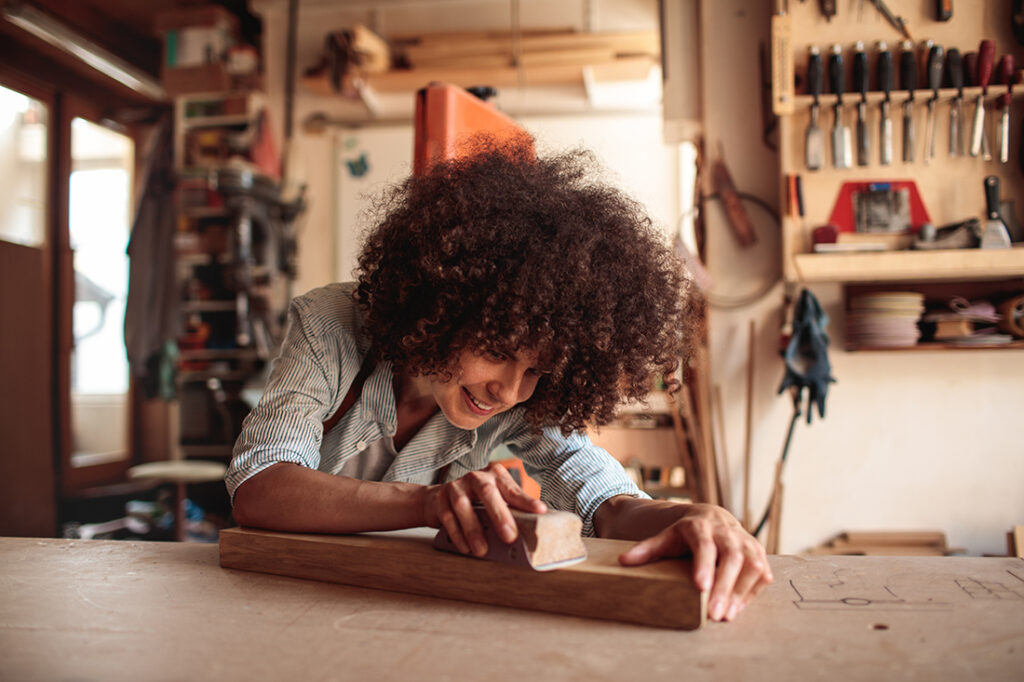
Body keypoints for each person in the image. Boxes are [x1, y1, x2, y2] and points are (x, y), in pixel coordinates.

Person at [226, 133, 771, 622]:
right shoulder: (331, 325)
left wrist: (700, 515)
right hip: (275, 596)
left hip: (397, 606)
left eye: (537, 368)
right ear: (441, 306)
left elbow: (607, 504)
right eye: (496, 350)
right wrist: (424, 504)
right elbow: (259, 487)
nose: (509, 390)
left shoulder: (519, 403)